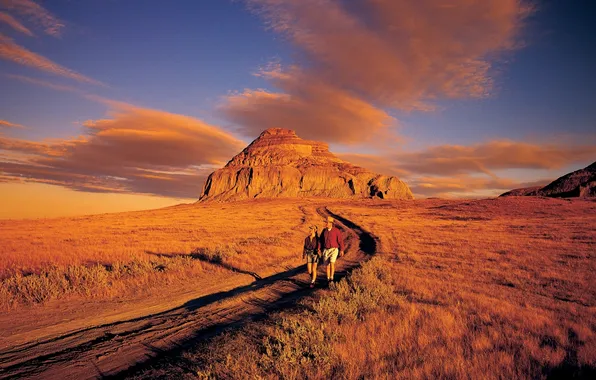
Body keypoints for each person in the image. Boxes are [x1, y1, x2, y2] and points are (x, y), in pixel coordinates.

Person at [319, 216, 345, 286]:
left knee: (332, 263)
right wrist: (319, 249)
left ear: (331, 223)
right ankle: (328, 279)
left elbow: (340, 241)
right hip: (326, 250)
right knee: (327, 266)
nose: (326, 224)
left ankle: (331, 278)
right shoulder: (324, 231)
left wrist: (342, 250)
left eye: (327, 222)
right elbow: (320, 241)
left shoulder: (336, 231)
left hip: (334, 249)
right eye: (325, 222)